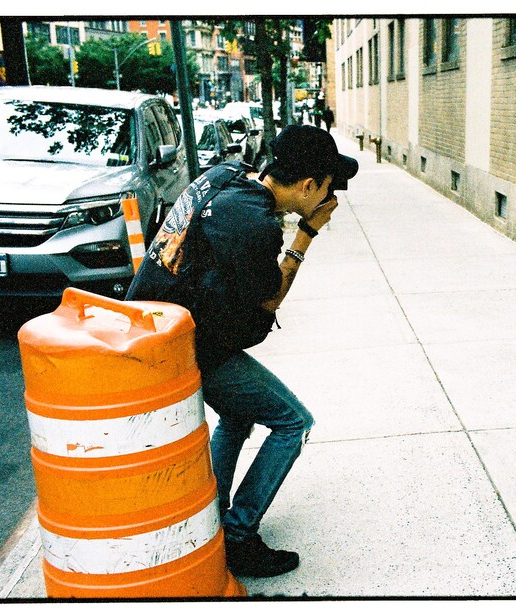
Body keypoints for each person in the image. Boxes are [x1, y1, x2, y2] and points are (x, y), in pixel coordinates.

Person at [126, 125, 358, 577]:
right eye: (328, 186)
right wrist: (307, 233)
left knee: (237, 413)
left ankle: (212, 516)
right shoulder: (255, 226)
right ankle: (238, 536)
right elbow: (269, 298)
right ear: (309, 186)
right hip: (189, 346)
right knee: (294, 422)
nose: (330, 196)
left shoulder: (225, 177)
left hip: (163, 331)